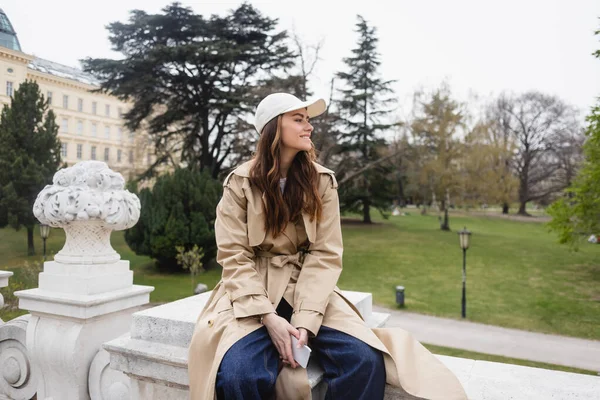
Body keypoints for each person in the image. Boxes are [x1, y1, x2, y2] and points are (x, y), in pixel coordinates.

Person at [188, 93, 467, 400]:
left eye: (308, 119)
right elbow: (233, 256)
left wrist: (305, 323)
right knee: (238, 374)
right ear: (273, 128)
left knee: (365, 360)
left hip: (305, 286)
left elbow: (324, 254)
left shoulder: (322, 182)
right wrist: (270, 319)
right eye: (299, 119)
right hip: (252, 291)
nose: (309, 127)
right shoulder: (239, 183)